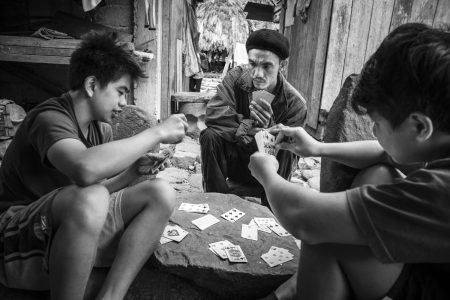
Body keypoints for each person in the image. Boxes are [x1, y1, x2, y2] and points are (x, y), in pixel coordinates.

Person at [249, 23, 450, 299]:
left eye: (377, 123)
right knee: (376, 175)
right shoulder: (439, 140)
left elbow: (302, 217)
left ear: (419, 127)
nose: (372, 131)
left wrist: (267, 173)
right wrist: (317, 148)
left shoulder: (442, 190)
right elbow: (383, 153)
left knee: (324, 232)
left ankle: (294, 290)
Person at [0, 31, 188, 300]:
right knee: (92, 195)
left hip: (66, 220)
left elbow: (97, 193)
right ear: (91, 85)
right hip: (17, 232)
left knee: (160, 193)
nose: (124, 103)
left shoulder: (101, 129)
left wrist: (133, 173)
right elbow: (84, 170)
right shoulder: (49, 118)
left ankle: (111, 295)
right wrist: (156, 133)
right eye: (121, 92)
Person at [200, 29, 307, 204]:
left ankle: (273, 209)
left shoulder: (295, 104)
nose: (257, 73)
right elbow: (214, 114)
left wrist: (268, 133)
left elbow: (294, 152)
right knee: (209, 136)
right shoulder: (236, 77)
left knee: (289, 145)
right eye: (252, 64)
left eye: (266, 66)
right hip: (235, 162)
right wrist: (247, 126)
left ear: (282, 65)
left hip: (269, 170)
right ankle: (216, 203)